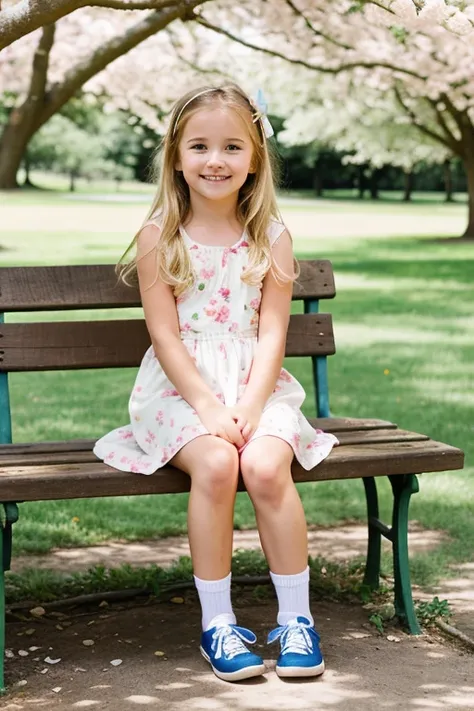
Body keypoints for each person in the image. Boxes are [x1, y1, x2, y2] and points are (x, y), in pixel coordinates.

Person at [94, 83, 338, 682]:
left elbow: (274, 333)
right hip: (179, 394)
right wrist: (207, 406)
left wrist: (253, 405)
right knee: (218, 465)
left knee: (261, 465)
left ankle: (295, 620)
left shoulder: (272, 236)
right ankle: (219, 624)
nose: (215, 160)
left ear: (255, 157)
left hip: (258, 387)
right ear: (176, 155)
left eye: (232, 146)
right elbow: (166, 337)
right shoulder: (159, 235)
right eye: (199, 146)